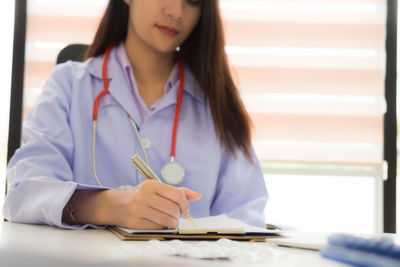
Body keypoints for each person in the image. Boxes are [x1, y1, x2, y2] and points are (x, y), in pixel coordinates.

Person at [3, 0, 268, 230]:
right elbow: (24, 191)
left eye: (193, 0)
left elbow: (247, 219)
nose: (176, 11)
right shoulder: (69, 85)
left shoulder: (218, 105)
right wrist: (111, 207)